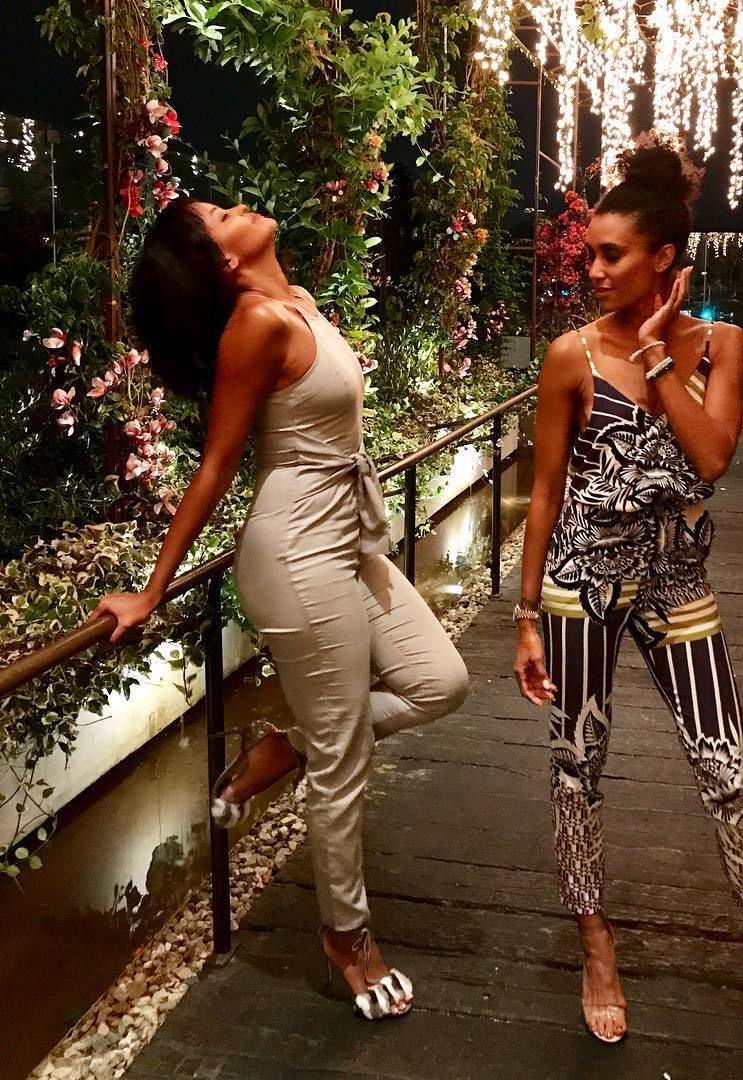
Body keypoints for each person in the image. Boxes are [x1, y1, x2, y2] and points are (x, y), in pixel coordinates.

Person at [90, 197, 468, 1021]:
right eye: (220, 215)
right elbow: (217, 465)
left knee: (440, 681)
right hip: (295, 555)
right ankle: (346, 937)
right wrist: (153, 588)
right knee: (346, 762)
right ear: (224, 261)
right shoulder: (255, 325)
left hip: (347, 540)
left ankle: (286, 746)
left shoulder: (296, 301)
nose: (238, 206)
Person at [512, 141, 743, 1066]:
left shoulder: (720, 346)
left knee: (732, 773)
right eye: (589, 255)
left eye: (611, 255)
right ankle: (595, 946)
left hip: (678, 582)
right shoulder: (569, 357)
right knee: (577, 769)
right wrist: (526, 614)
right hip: (582, 581)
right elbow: (546, 491)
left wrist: (653, 353)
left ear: (665, 259)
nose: (593, 270)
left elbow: (713, 456)